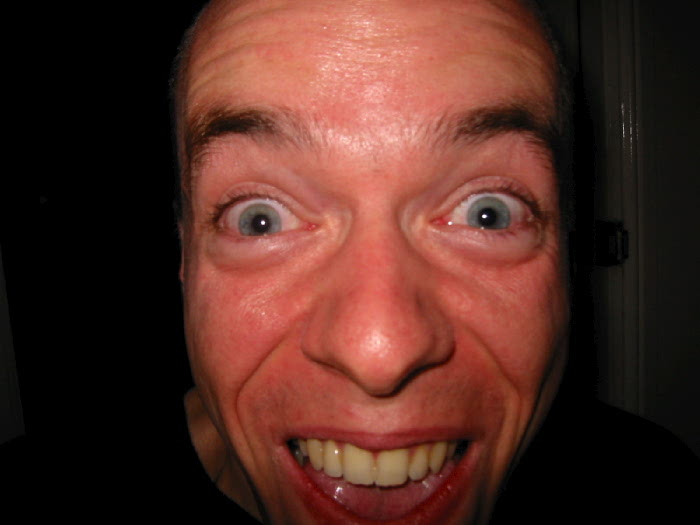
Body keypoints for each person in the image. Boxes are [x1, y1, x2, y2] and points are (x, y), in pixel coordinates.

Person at [169, 0, 699, 523]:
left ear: (566, 252)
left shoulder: (655, 488)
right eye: (259, 220)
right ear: (185, 253)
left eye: (487, 214)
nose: (380, 353)